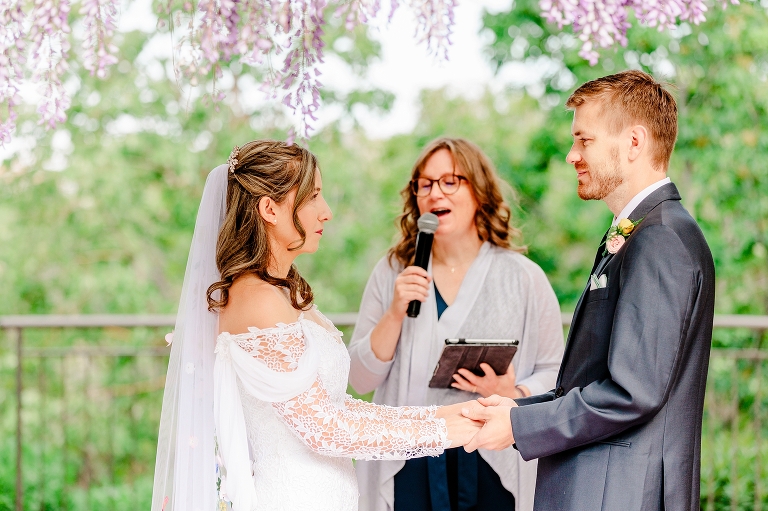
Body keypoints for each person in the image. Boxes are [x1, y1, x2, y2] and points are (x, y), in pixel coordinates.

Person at [150, 140, 482, 511]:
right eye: (313, 197)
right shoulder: (257, 300)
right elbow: (326, 430)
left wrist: (445, 415)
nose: (326, 213)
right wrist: (445, 432)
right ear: (269, 209)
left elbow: (336, 408)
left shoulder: (281, 292)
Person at [462, 70, 716, 511]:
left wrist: (522, 427)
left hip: (619, 492)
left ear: (634, 143)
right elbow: (596, 378)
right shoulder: (641, 232)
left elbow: (633, 392)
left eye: (585, 140)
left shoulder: (660, 239)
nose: (571, 155)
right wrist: (517, 409)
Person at [348, 137, 565, 511]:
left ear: (479, 191)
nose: (435, 193)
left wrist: (516, 392)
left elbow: (556, 371)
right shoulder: (392, 272)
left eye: (450, 181)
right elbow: (360, 379)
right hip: (409, 459)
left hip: (488, 457)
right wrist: (395, 312)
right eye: (425, 184)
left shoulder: (523, 277)